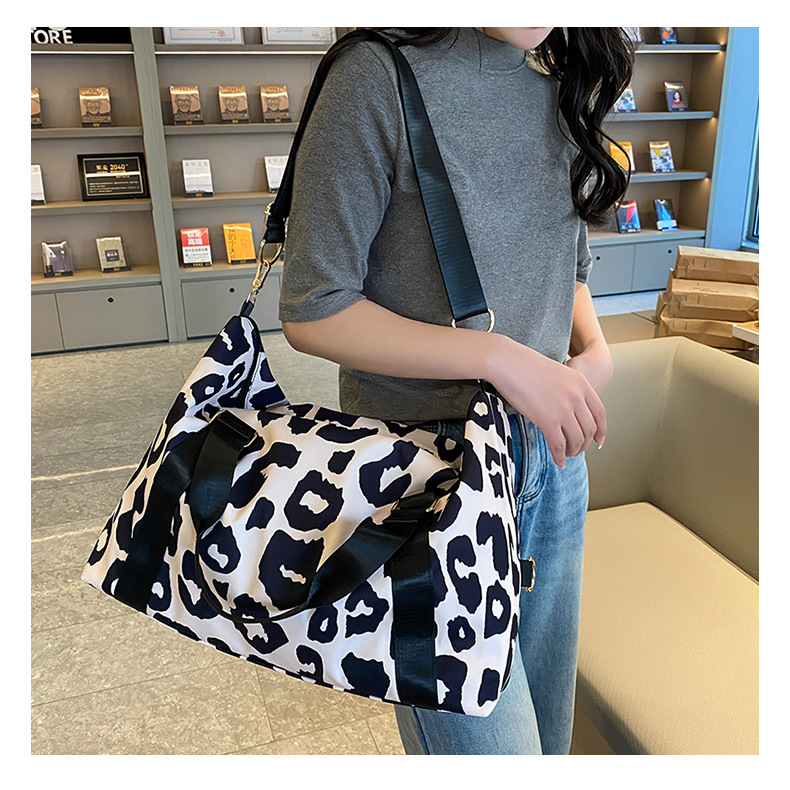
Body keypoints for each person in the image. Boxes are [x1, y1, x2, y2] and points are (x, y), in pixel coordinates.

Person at [277, 27, 634, 755]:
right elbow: (314, 307)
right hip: (427, 477)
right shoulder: (375, 76)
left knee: (550, 746)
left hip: (552, 468)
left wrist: (593, 352)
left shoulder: (559, 85)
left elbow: (565, 267)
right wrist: (499, 358)